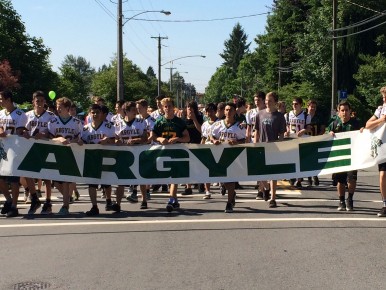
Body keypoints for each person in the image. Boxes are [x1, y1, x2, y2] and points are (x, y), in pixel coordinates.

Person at [150, 97, 190, 212]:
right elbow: (152, 136)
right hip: (162, 153)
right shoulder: (159, 121)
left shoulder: (179, 122)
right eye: (165, 106)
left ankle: (171, 199)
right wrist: (160, 138)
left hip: (176, 153)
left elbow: (187, 137)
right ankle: (175, 200)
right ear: (162, 108)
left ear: (173, 107)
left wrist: (178, 139)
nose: (167, 108)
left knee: (174, 176)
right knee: (168, 177)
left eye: (170, 106)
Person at [48, 97, 83, 215]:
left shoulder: (76, 122)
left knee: (67, 180)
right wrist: (59, 138)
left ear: (67, 108)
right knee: (56, 181)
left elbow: (80, 138)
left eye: (60, 107)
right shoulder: (53, 121)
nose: (58, 109)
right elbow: (49, 137)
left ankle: (65, 206)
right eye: (57, 107)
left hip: (70, 153)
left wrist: (77, 141)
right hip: (56, 152)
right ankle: (67, 198)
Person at [81, 104, 116, 216]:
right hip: (91, 159)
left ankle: (109, 200)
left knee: (106, 183)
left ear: (101, 114)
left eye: (97, 112)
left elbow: (116, 142)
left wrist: (109, 140)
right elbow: (82, 142)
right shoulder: (85, 129)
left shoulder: (109, 127)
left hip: (105, 157)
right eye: (93, 112)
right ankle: (94, 206)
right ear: (90, 114)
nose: (95, 114)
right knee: (92, 184)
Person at [253, 92, 287, 208]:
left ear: (275, 103)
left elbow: (281, 134)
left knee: (273, 173)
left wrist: (280, 146)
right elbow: (256, 131)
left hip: (273, 147)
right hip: (261, 147)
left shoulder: (279, 116)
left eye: (270, 100)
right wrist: (255, 145)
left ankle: (273, 198)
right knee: (259, 172)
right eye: (266, 100)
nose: (267, 102)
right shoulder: (260, 114)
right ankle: (266, 188)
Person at [211, 102, 246, 213]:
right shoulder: (218, 124)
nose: (228, 112)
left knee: (230, 180)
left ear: (235, 111)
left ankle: (229, 202)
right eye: (226, 110)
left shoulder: (239, 126)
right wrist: (214, 140)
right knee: (223, 179)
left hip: (233, 157)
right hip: (219, 156)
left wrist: (236, 142)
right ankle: (232, 194)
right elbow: (211, 135)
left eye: (230, 110)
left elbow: (244, 140)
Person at [25, 90, 56, 214]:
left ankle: (48, 202)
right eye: (37, 101)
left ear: (45, 102)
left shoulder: (51, 116)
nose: (39, 103)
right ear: (33, 102)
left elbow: (53, 132)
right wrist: (24, 133)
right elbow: (22, 130)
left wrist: (45, 133)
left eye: (42, 101)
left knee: (47, 176)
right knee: (27, 172)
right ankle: (34, 198)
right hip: (30, 148)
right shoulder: (27, 115)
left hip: (45, 148)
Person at [327, 101, 361, 211]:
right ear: (338, 112)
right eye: (342, 110)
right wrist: (329, 133)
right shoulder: (334, 123)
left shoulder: (356, 123)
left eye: (347, 110)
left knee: (352, 179)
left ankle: (350, 199)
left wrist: (362, 131)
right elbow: (326, 133)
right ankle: (341, 200)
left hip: (352, 156)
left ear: (350, 111)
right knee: (340, 180)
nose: (345, 112)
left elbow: (365, 133)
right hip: (339, 156)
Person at [0, 90, 28, 217]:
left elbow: (21, 131)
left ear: (8, 99)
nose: (0, 101)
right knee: (0, 177)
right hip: (2, 149)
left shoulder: (20, 114)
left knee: (14, 180)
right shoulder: (1, 113)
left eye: (2, 98)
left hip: (15, 149)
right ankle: (8, 199)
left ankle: (14, 206)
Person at [116, 101, 148, 209]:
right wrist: (117, 142)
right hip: (124, 155)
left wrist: (135, 140)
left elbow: (145, 138)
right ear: (126, 111)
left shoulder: (140, 122)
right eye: (133, 110)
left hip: (138, 153)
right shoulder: (118, 124)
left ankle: (144, 200)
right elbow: (115, 139)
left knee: (141, 178)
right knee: (121, 180)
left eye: (136, 109)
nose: (136, 112)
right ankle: (118, 204)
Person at [364, 86, 386, 217]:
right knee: (383, 175)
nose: (384, 99)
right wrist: (381, 120)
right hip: (383, 148)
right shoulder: (380, 110)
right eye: (383, 97)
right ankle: (384, 204)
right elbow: (368, 125)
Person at [284, 97, 308, 188]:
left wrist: (303, 130)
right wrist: (286, 131)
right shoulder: (287, 115)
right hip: (291, 139)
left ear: (301, 105)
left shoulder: (306, 115)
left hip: (301, 139)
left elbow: (309, 127)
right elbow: (286, 126)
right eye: (293, 104)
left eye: (296, 104)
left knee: (300, 160)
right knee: (291, 159)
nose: (294, 105)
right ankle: (292, 177)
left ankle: (299, 180)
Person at [183, 101, 204, 195]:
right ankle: (188, 187)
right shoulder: (183, 120)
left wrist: (194, 119)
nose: (189, 110)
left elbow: (201, 131)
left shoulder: (199, 118)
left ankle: (201, 183)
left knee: (198, 166)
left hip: (197, 143)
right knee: (187, 166)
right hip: (187, 145)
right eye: (188, 108)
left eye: (191, 108)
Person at [305, 99, 326, 186]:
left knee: (315, 160)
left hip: (316, 140)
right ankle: (309, 178)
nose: (312, 108)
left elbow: (323, 128)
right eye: (311, 106)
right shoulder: (304, 116)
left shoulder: (319, 117)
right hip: (306, 140)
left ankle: (315, 175)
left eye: (314, 107)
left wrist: (318, 137)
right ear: (307, 107)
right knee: (307, 159)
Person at [200, 102, 219, 199]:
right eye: (207, 111)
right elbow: (203, 138)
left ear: (215, 111)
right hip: (207, 149)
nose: (209, 113)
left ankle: (224, 185)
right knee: (206, 170)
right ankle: (207, 190)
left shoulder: (220, 123)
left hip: (218, 149)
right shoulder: (204, 125)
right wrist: (200, 148)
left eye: (211, 111)